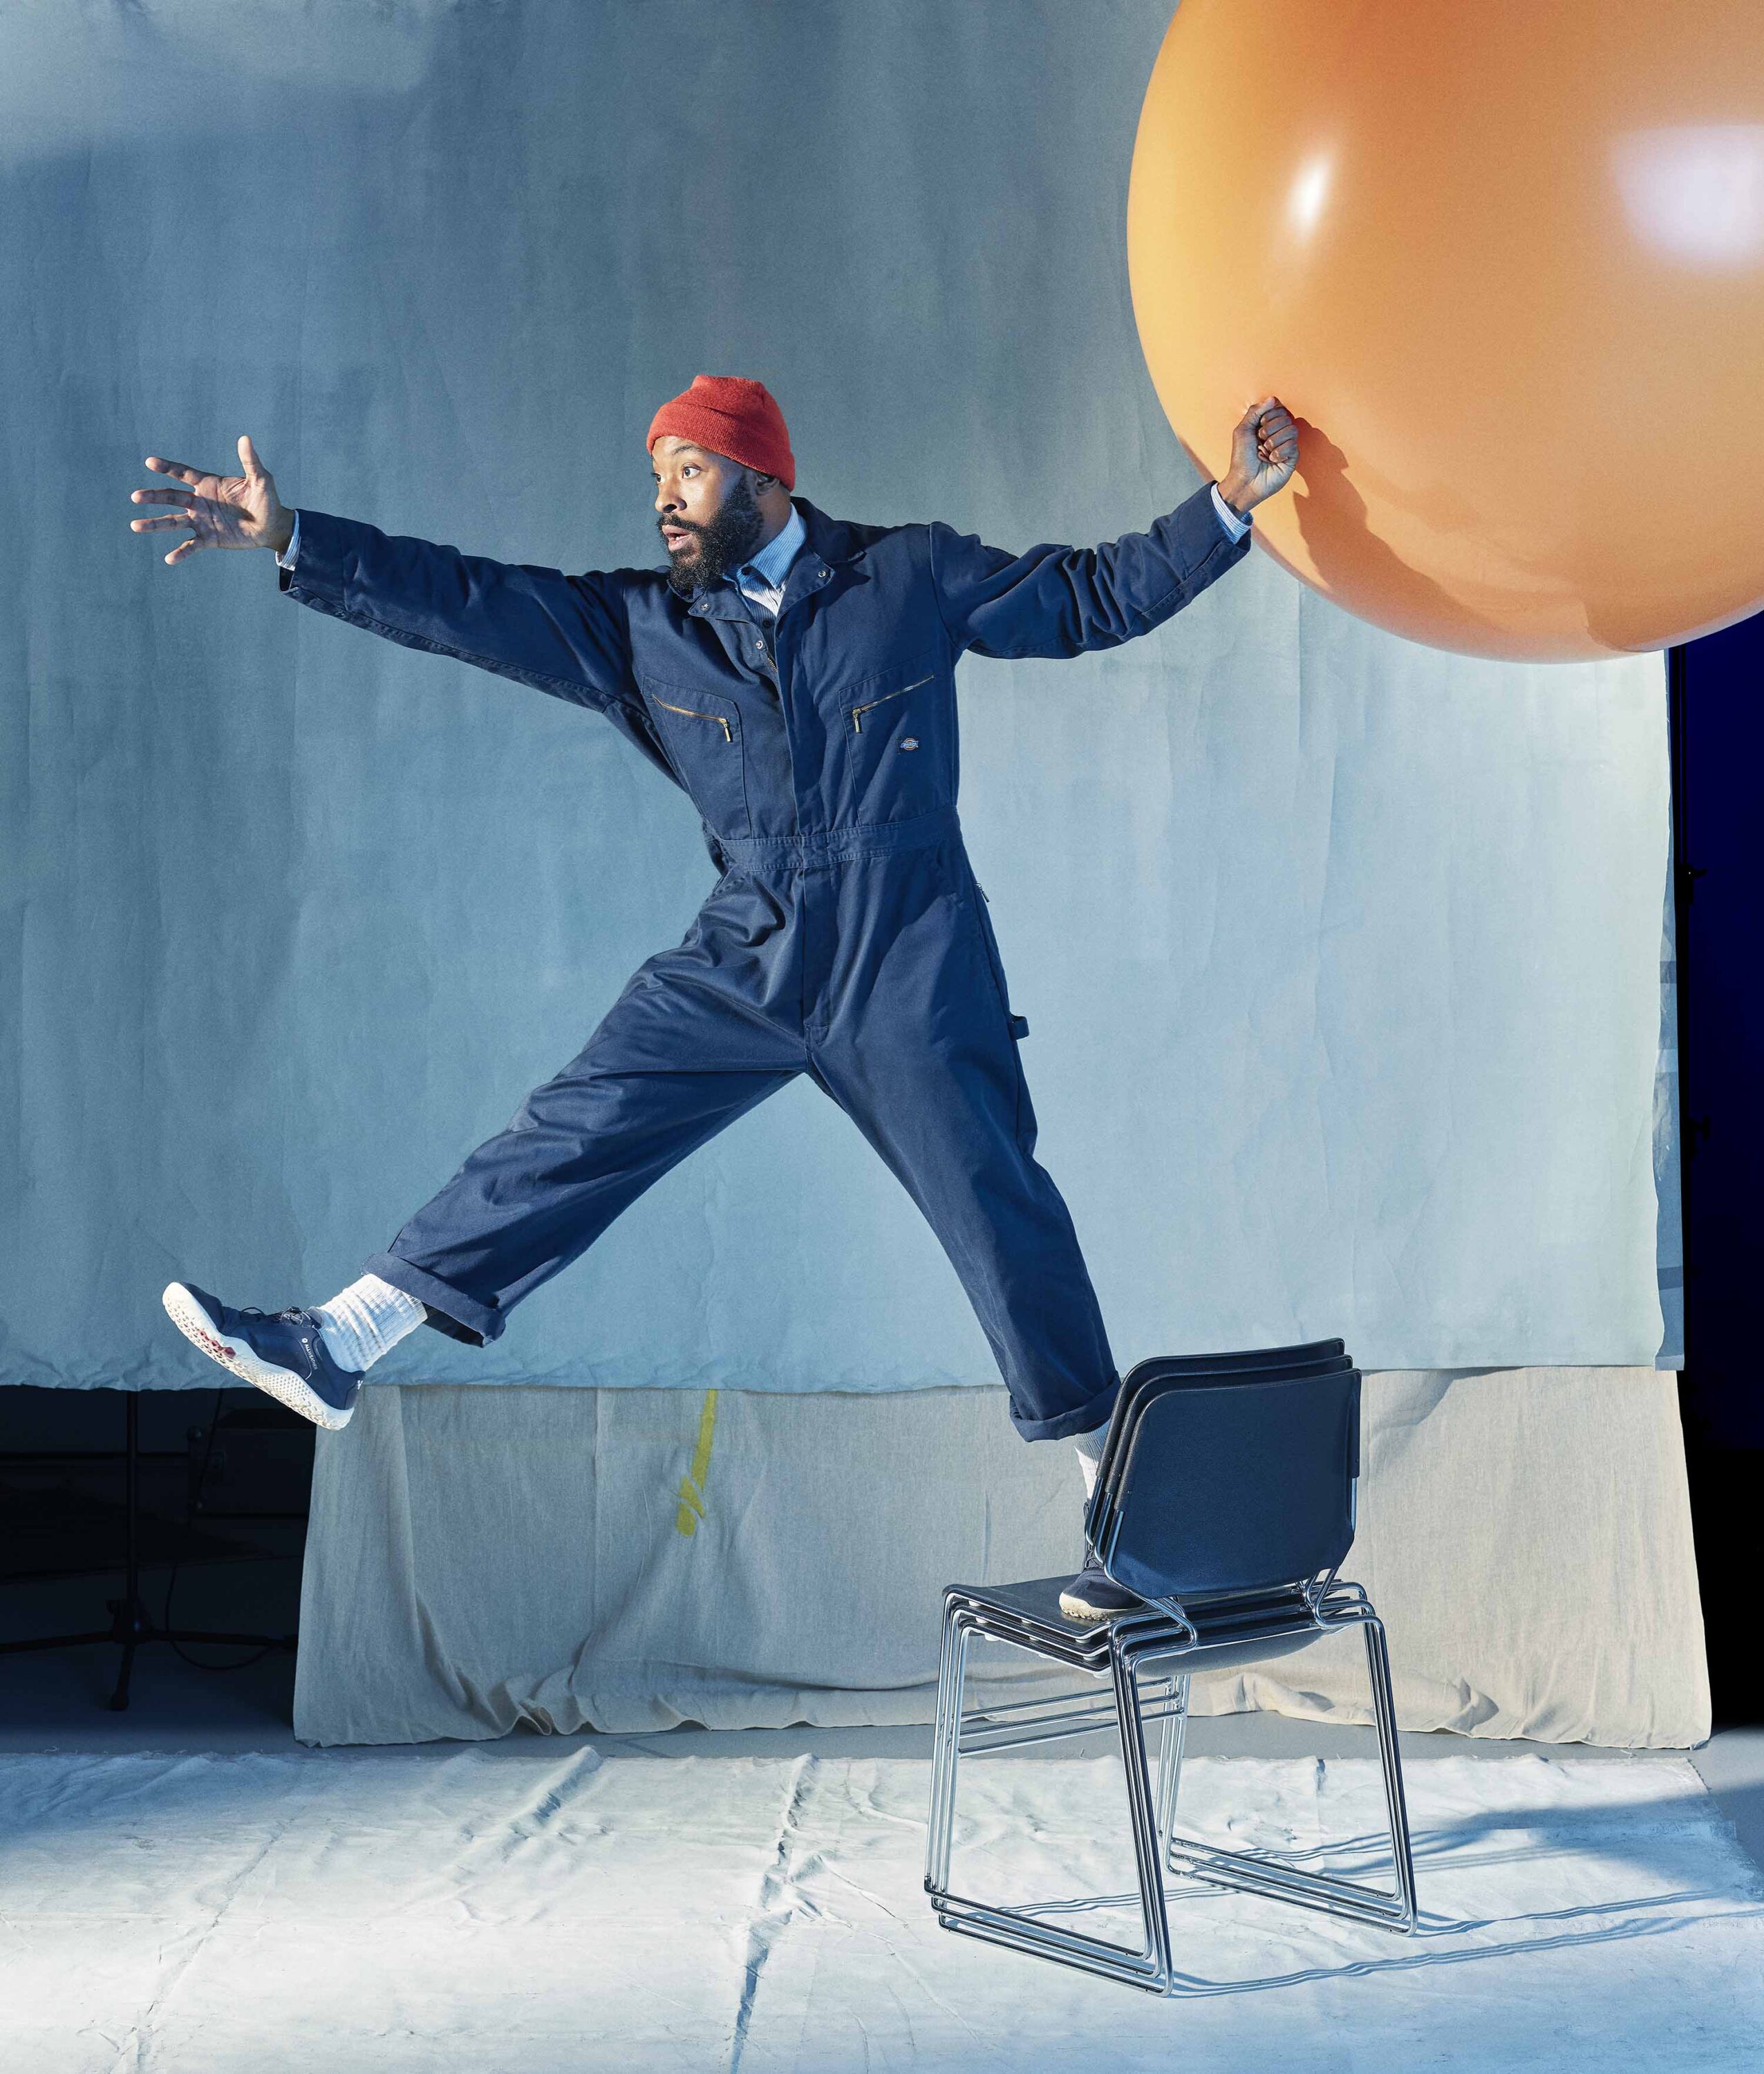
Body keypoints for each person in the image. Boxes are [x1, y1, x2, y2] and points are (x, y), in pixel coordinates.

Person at [129, 375, 1298, 1619]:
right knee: (576, 1125)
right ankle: (339, 1341)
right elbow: (469, 602)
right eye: (655, 480)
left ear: (764, 477)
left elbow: (1083, 599)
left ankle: (1121, 1530)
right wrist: (296, 537)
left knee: (1001, 1213)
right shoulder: (646, 628)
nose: (663, 504)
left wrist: (1225, 506)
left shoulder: (907, 577)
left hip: (907, 950)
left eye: (687, 473)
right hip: (751, 945)